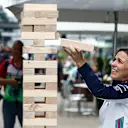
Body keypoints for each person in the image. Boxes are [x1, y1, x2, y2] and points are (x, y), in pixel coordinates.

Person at [64, 47, 128, 128]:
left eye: (120, 61)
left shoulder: (124, 91)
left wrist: (81, 62)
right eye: (114, 59)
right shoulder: (117, 87)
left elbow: (99, 90)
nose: (113, 63)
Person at [0, 40, 23, 128]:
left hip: (24, 103)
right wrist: (11, 82)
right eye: (15, 48)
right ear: (12, 50)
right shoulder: (6, 64)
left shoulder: (28, 66)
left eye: (19, 49)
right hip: (8, 102)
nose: (17, 51)